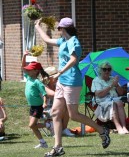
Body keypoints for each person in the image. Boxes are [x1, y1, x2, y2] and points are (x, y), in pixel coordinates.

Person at [35, 17, 110, 156]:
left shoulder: (73, 41)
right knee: (55, 113)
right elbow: (47, 40)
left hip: (72, 81)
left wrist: (60, 72)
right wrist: (38, 26)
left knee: (73, 115)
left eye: (59, 28)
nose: (58, 30)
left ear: (62, 29)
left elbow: (74, 59)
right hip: (62, 82)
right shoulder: (63, 41)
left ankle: (102, 130)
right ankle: (58, 147)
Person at [21, 52, 53, 149]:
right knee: (33, 126)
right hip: (32, 106)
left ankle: (48, 125)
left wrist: (44, 103)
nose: (27, 71)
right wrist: (24, 56)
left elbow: (44, 94)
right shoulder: (28, 77)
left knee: (31, 125)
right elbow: (22, 67)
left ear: (35, 71)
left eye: (30, 70)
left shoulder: (37, 82)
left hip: (38, 107)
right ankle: (43, 142)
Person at [91, 62, 129, 135]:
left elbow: (121, 93)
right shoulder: (96, 80)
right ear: (100, 70)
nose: (107, 71)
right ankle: (118, 127)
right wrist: (111, 86)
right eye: (104, 69)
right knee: (113, 104)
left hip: (114, 99)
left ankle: (124, 127)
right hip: (102, 101)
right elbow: (99, 95)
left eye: (109, 69)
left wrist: (117, 85)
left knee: (119, 102)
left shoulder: (113, 79)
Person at [41, 66, 75, 137]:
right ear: (49, 78)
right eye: (55, 76)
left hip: (57, 107)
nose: (57, 78)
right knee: (60, 109)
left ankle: (64, 129)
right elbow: (53, 94)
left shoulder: (57, 85)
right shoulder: (44, 86)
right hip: (47, 110)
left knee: (67, 107)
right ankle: (57, 130)